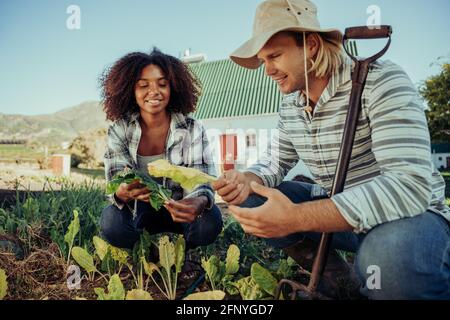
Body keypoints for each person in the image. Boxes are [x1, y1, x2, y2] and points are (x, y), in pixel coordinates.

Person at [213, 0, 450, 299]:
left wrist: (295, 217)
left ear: (310, 45)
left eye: (274, 56)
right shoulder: (292, 105)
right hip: (345, 218)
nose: (268, 70)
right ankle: (338, 283)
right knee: (253, 199)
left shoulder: (380, 81)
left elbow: (408, 187)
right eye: (263, 60)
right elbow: (275, 161)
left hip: (411, 218)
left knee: (387, 258)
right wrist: (249, 179)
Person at [99, 48, 222, 251]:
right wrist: (122, 192)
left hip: (180, 209)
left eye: (162, 84)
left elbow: (201, 178)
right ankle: (146, 251)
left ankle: (184, 251)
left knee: (210, 220)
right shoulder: (119, 129)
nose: (154, 91)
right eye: (143, 85)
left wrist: (199, 201)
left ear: (173, 88)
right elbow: (116, 178)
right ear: (130, 90)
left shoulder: (191, 128)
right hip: (139, 211)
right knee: (111, 221)